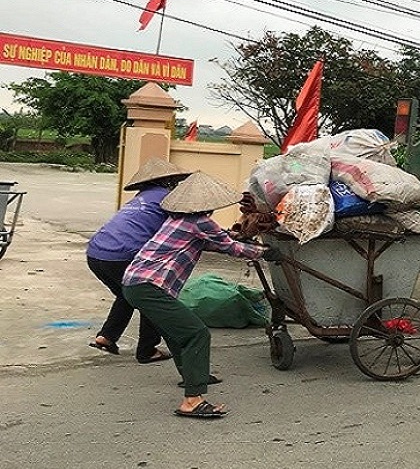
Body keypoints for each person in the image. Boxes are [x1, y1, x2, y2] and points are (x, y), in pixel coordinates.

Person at [122, 171, 281, 419]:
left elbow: (214, 241)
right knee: (196, 333)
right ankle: (192, 400)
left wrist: (237, 239)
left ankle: (193, 376)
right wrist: (262, 253)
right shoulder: (200, 222)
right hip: (148, 286)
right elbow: (230, 247)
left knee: (176, 332)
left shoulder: (179, 220)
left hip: (136, 283)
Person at [87, 157, 193, 363]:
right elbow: (186, 226)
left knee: (127, 294)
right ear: (168, 181)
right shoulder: (168, 198)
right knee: (151, 296)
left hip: (96, 253)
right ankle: (147, 349)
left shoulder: (141, 197)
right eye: (174, 181)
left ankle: (107, 337)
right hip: (121, 256)